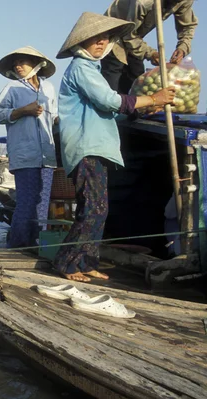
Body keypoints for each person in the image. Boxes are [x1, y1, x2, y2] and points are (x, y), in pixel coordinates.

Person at [54, 12, 176, 282]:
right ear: (81, 43)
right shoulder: (81, 68)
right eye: (94, 39)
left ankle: (85, 262)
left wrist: (143, 108)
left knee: (99, 209)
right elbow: (109, 101)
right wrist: (151, 98)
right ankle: (67, 263)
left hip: (97, 148)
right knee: (93, 209)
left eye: (104, 38)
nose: (101, 43)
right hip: (87, 149)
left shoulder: (92, 70)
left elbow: (110, 112)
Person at [0, 46, 58, 248]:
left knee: (43, 203)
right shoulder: (11, 88)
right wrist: (22, 111)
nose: (18, 66)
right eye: (16, 63)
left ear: (36, 64)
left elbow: (55, 118)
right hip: (25, 155)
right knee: (27, 202)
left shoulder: (49, 88)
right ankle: (17, 245)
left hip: (47, 156)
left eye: (22, 62)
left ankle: (36, 244)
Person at [101, 0, 198, 93]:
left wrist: (183, 47)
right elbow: (129, 36)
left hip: (134, 39)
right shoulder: (143, 2)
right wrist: (151, 53)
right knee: (113, 85)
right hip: (113, 34)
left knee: (137, 82)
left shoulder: (184, 1)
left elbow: (188, 26)